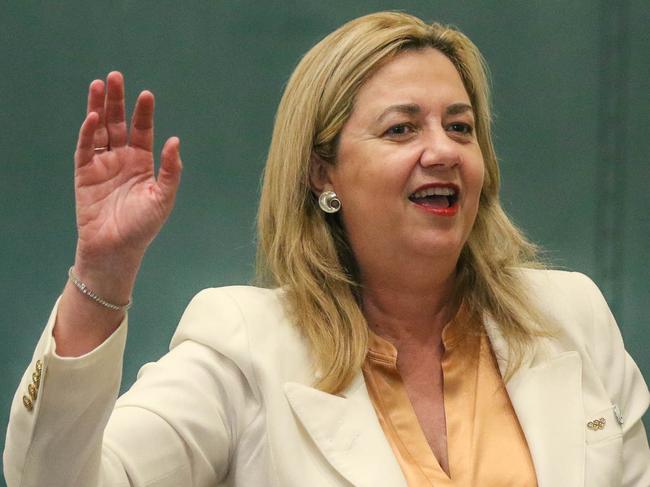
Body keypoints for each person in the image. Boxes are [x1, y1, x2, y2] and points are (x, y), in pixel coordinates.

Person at [3, 11, 649, 487]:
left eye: (460, 127)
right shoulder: (247, 344)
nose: (444, 150)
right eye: (402, 128)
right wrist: (102, 274)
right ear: (323, 174)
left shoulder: (572, 317)